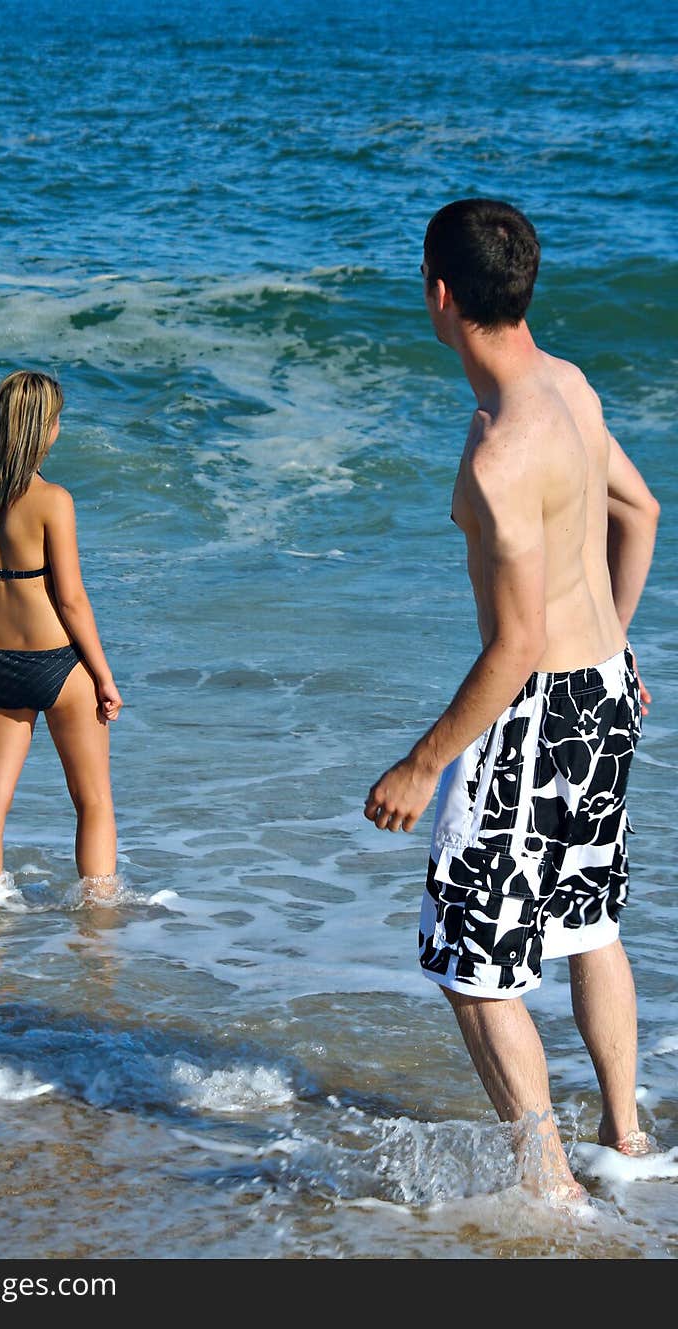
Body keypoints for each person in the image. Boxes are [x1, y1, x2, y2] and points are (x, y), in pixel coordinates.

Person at [364, 199, 659, 1202]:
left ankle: (551, 1187)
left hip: (534, 718)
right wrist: (616, 641)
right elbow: (640, 510)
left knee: (467, 960)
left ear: (440, 296)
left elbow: (517, 645)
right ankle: (626, 1136)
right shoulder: (568, 389)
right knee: (587, 924)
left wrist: (420, 761)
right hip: (606, 696)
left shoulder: (500, 452)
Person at [0, 370, 123, 897]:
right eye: (56, 420)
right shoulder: (53, 500)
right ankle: (99, 919)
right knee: (92, 799)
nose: (58, 429)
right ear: (41, 429)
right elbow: (71, 599)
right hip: (57, 662)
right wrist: (104, 676)